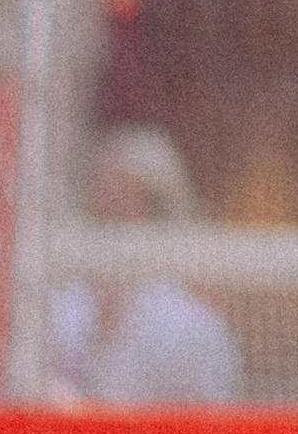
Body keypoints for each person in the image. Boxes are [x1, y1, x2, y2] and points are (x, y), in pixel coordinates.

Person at [49, 123, 242, 406]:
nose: (107, 203)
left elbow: (209, 408)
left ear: (152, 197)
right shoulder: (69, 302)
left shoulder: (186, 313)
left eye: (123, 191)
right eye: (101, 189)